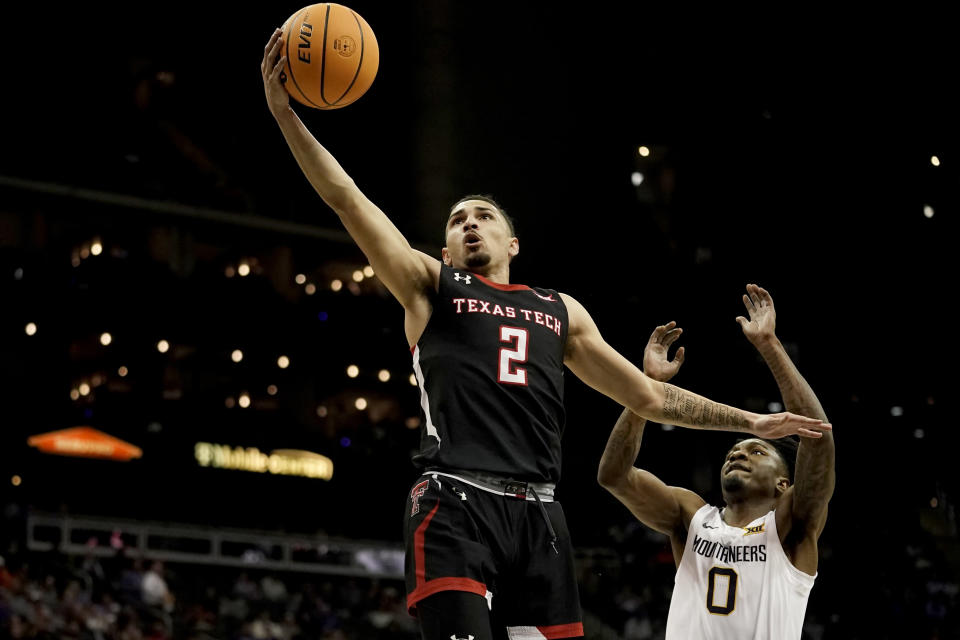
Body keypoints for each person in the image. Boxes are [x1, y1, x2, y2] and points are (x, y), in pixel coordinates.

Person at [260, 31, 830, 640]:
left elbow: (648, 397)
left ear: (512, 243)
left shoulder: (560, 311)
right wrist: (286, 116)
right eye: (456, 221)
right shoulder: (430, 286)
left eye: (482, 216)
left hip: (540, 516)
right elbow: (348, 201)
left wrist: (752, 421)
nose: (467, 224)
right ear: (447, 246)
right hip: (455, 501)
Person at [598, 284, 835, 639]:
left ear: (783, 484)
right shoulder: (691, 516)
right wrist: (645, 393)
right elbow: (614, 476)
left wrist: (770, 346)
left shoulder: (791, 528)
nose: (738, 453)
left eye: (757, 451)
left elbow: (818, 436)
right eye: (733, 453)